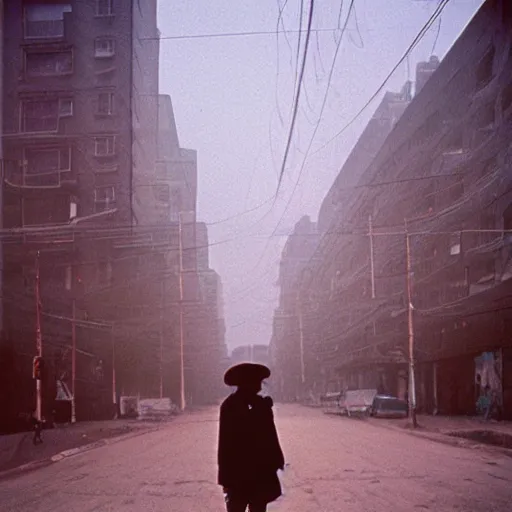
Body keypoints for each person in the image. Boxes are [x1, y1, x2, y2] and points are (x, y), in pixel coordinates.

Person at [218, 363, 285, 512]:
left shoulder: (231, 405)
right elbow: (226, 444)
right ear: (248, 383)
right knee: (254, 507)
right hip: (250, 474)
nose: (260, 386)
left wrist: (225, 478)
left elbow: (269, 437)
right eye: (257, 382)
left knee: (244, 507)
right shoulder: (255, 406)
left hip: (242, 474)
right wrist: (276, 460)